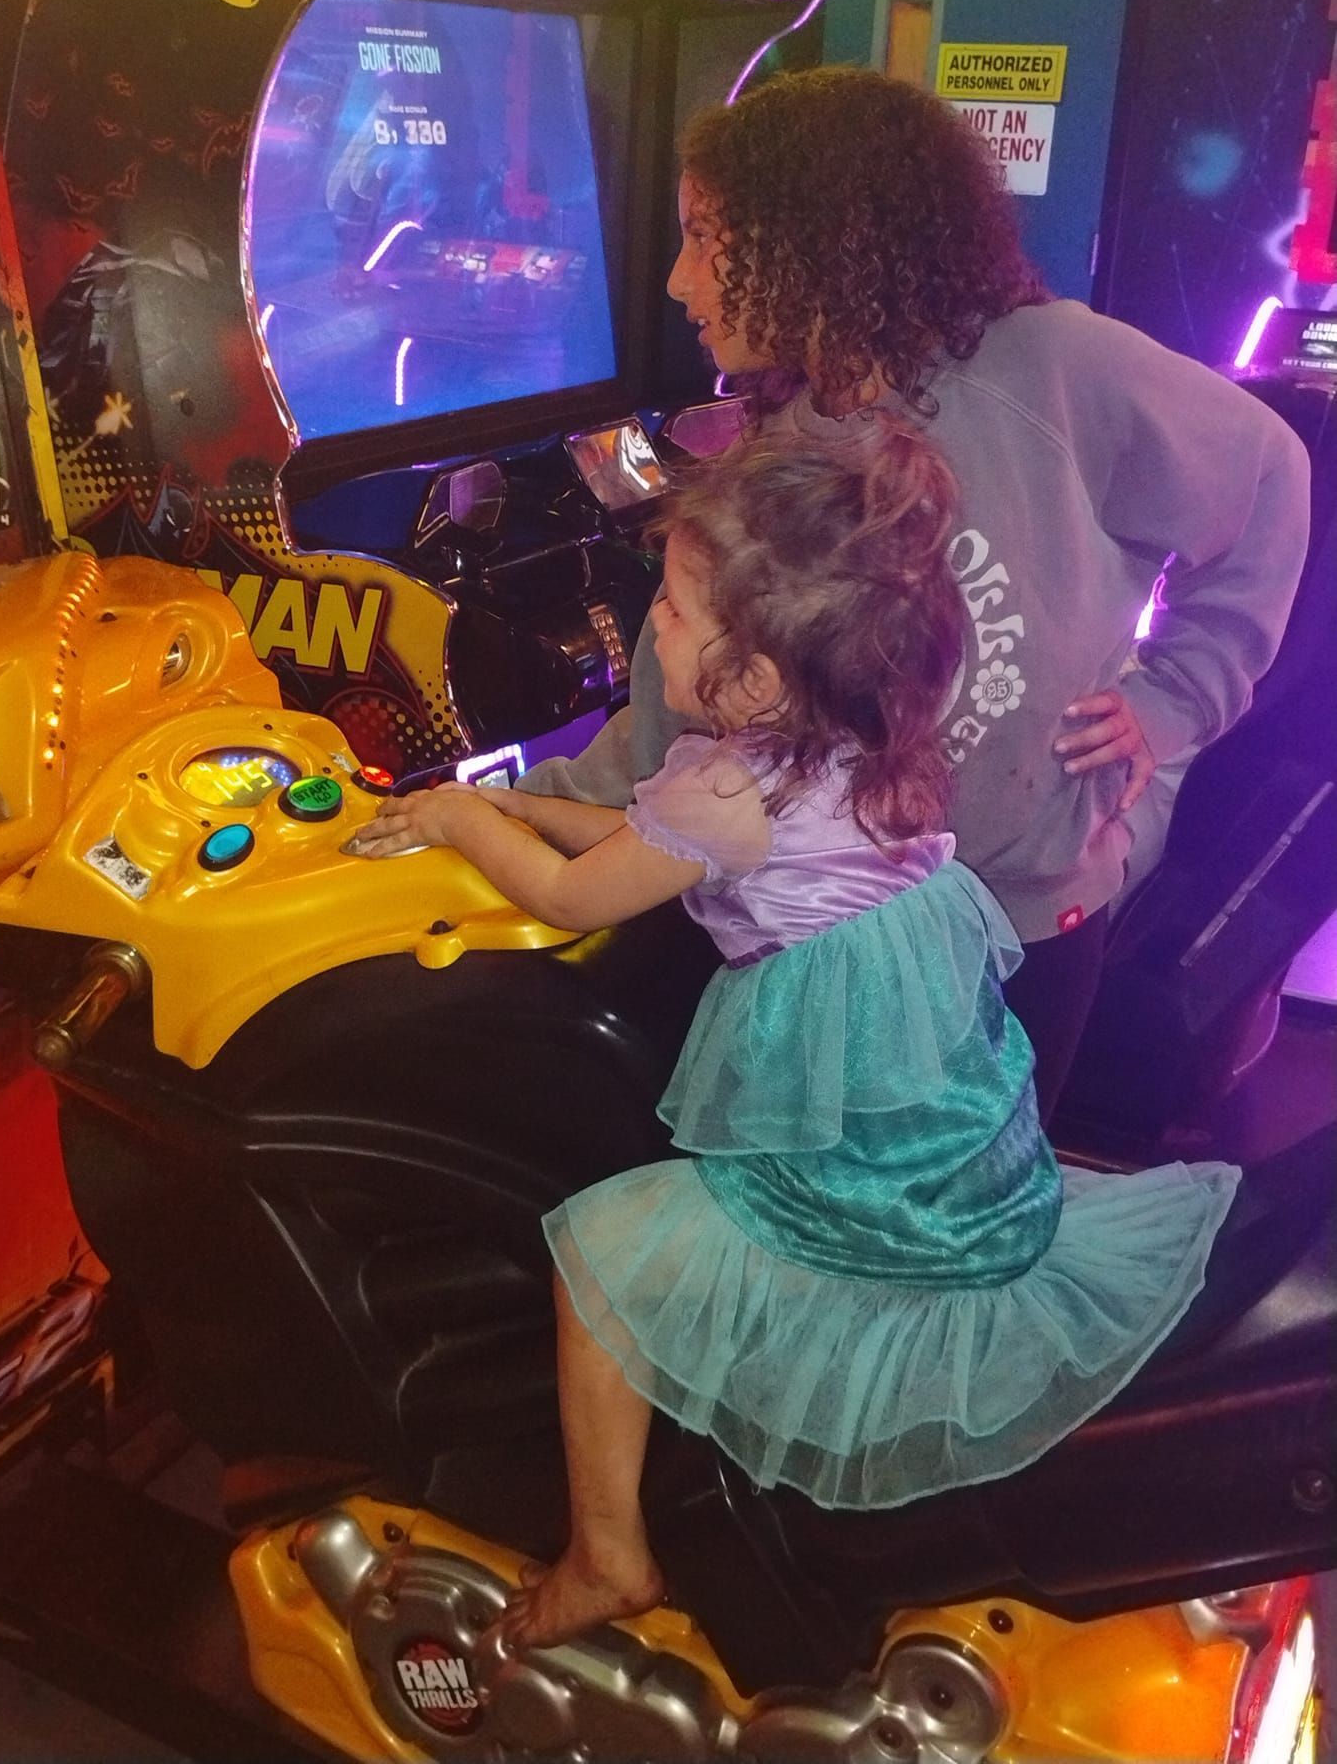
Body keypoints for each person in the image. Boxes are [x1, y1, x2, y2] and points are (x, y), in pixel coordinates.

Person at [348, 430, 1239, 1648]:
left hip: (858, 1131)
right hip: (927, 1102)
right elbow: (632, 831)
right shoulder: (846, 743)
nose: (646, 618)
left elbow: (572, 896)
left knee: (597, 1254)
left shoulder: (727, 792)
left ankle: (609, 1554)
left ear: (760, 679)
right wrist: (504, 804)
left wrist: (456, 811)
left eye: (667, 605)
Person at [522, 67, 1311, 1113]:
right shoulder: (788, 439)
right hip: (822, 935)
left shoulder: (1053, 368)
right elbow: (694, 709)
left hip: (1016, 916)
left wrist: (1177, 699)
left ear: (816, 232)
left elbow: (1270, 478)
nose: (679, 280)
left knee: (959, 1232)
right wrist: (519, 809)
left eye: (707, 236)